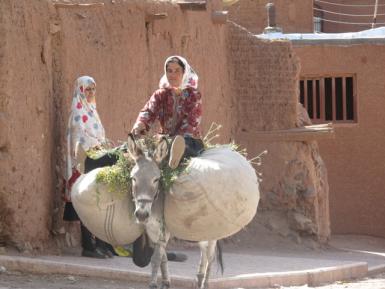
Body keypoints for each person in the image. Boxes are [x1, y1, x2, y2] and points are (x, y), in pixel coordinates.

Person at [63, 75, 117, 259]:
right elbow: (81, 140)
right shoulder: (77, 113)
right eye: (87, 89)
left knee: (99, 203)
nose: (91, 92)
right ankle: (88, 246)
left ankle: (101, 244)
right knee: (87, 204)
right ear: (80, 91)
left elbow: (99, 136)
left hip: (96, 161)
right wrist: (100, 151)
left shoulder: (92, 110)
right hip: (84, 164)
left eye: (93, 89)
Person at [131, 55, 204, 168]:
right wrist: (141, 124)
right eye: (169, 71)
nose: (173, 75)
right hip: (164, 140)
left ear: (184, 72)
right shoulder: (161, 94)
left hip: (189, 140)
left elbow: (191, 121)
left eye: (177, 71)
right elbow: (149, 111)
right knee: (132, 149)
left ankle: (175, 156)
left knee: (182, 146)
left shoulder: (193, 95)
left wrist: (176, 140)